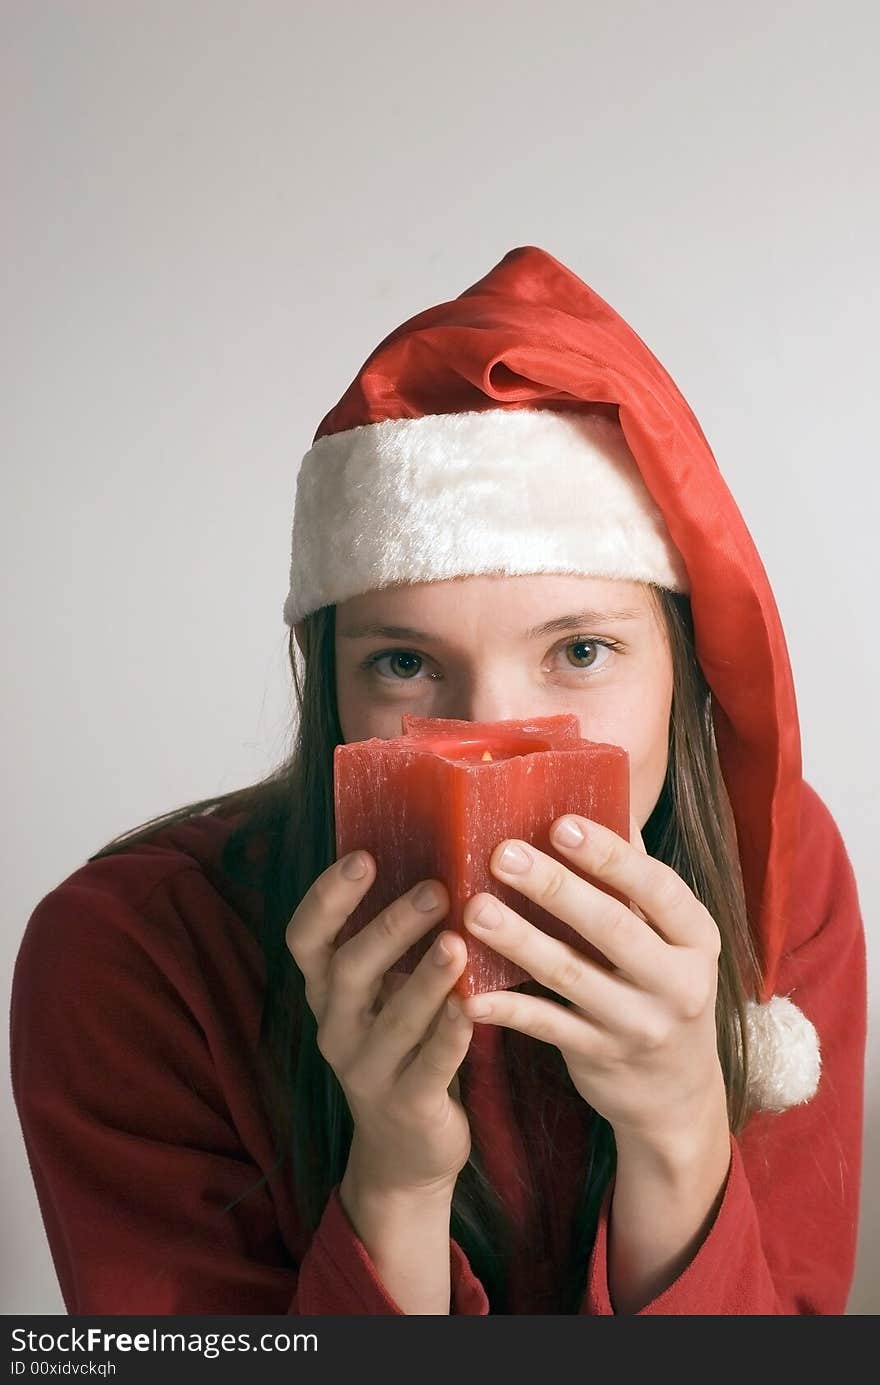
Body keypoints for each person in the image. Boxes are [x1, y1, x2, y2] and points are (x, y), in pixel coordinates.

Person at [10, 246, 867, 1315]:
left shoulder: (776, 871)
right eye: (405, 662)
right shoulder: (131, 953)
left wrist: (679, 1134)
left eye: (581, 650)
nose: (494, 735)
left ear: (684, 676)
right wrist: (398, 1180)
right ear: (331, 687)